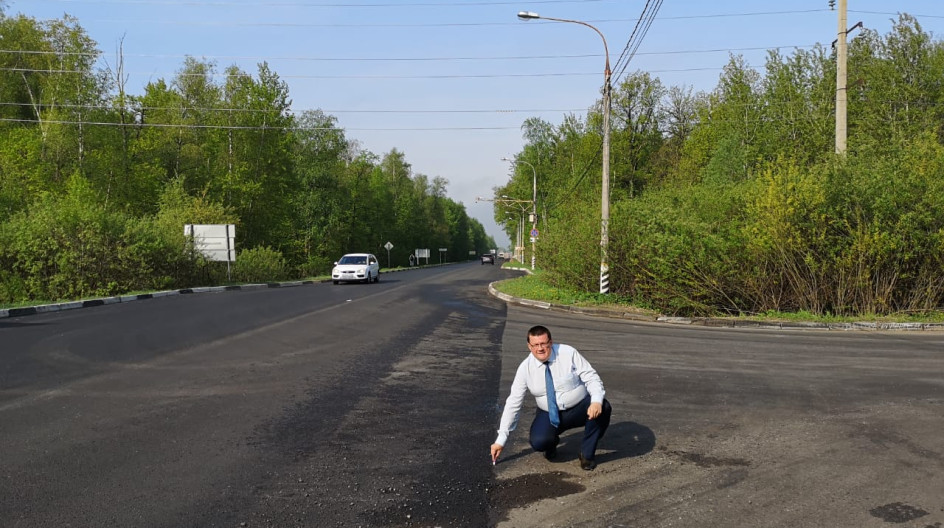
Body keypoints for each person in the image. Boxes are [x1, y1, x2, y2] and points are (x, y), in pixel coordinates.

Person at [490, 325, 612, 470]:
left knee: (603, 407)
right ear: (529, 346)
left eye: (543, 343)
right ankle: (551, 444)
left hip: (579, 408)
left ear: (550, 342)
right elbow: (513, 402)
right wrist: (501, 440)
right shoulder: (525, 369)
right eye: (535, 345)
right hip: (549, 413)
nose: (540, 348)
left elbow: (591, 377)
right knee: (539, 442)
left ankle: (586, 454)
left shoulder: (568, 353)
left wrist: (596, 401)